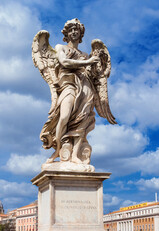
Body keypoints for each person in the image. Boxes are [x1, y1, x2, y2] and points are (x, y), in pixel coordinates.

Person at [41, 18, 99, 163]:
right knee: (64, 115)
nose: (74, 32)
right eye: (71, 30)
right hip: (68, 85)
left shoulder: (85, 54)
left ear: (81, 34)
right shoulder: (61, 47)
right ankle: (58, 151)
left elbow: (91, 74)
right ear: (66, 33)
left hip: (85, 87)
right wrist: (87, 62)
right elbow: (64, 62)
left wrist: (96, 65)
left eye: (76, 30)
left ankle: (74, 155)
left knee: (82, 121)